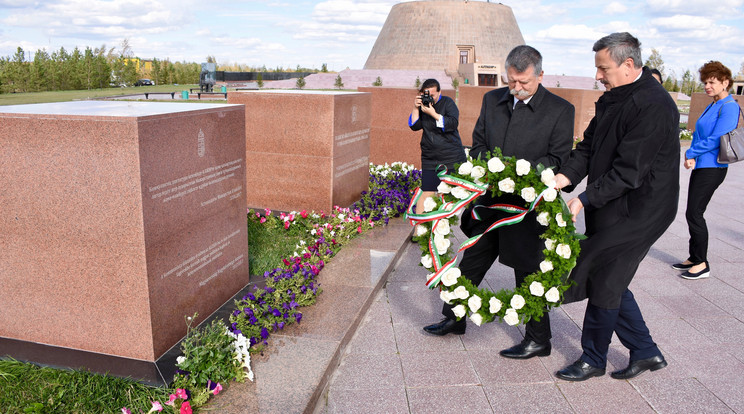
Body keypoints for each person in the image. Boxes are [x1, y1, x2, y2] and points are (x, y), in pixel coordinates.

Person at [422, 45, 575, 361]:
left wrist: (521, 172)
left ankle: (539, 339)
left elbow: (558, 158)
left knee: (528, 269)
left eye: (524, 83)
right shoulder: (493, 100)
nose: (517, 90)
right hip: (491, 200)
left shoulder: (560, 110)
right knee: (474, 258)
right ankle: (455, 317)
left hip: (527, 206)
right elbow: (478, 144)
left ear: (540, 76)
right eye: (512, 82)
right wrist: (489, 166)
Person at [553, 32, 679, 381]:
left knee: (602, 273)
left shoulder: (654, 105)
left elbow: (629, 170)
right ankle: (646, 351)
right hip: (611, 203)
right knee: (614, 278)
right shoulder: (614, 96)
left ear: (627, 64)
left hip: (642, 209)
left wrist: (584, 198)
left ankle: (593, 358)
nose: (598, 75)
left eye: (602, 68)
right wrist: (564, 178)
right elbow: (589, 146)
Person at [672, 61, 740, 280]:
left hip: (714, 167)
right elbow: (702, 135)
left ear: (725, 82)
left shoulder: (729, 106)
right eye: (705, 82)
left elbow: (716, 138)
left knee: (695, 212)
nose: (707, 86)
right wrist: (694, 157)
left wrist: (691, 153)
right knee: (693, 211)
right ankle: (694, 257)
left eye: (712, 82)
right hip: (703, 165)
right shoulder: (714, 104)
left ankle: (702, 263)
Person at [409, 78, 466, 214]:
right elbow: (414, 126)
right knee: (426, 192)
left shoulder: (448, 103)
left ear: (440, 92)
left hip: (451, 157)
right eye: (426, 94)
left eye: (432, 95)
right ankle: (420, 231)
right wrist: (415, 108)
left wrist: (433, 114)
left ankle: (444, 229)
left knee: (454, 195)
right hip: (430, 158)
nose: (429, 98)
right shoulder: (423, 105)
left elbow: (452, 123)